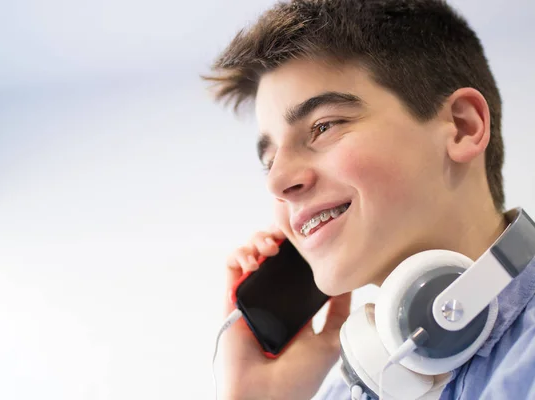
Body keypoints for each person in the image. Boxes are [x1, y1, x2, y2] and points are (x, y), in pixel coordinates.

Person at [202, 0, 535, 399]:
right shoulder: (345, 390)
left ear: (462, 127)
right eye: (269, 160)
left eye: (323, 126)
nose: (277, 182)